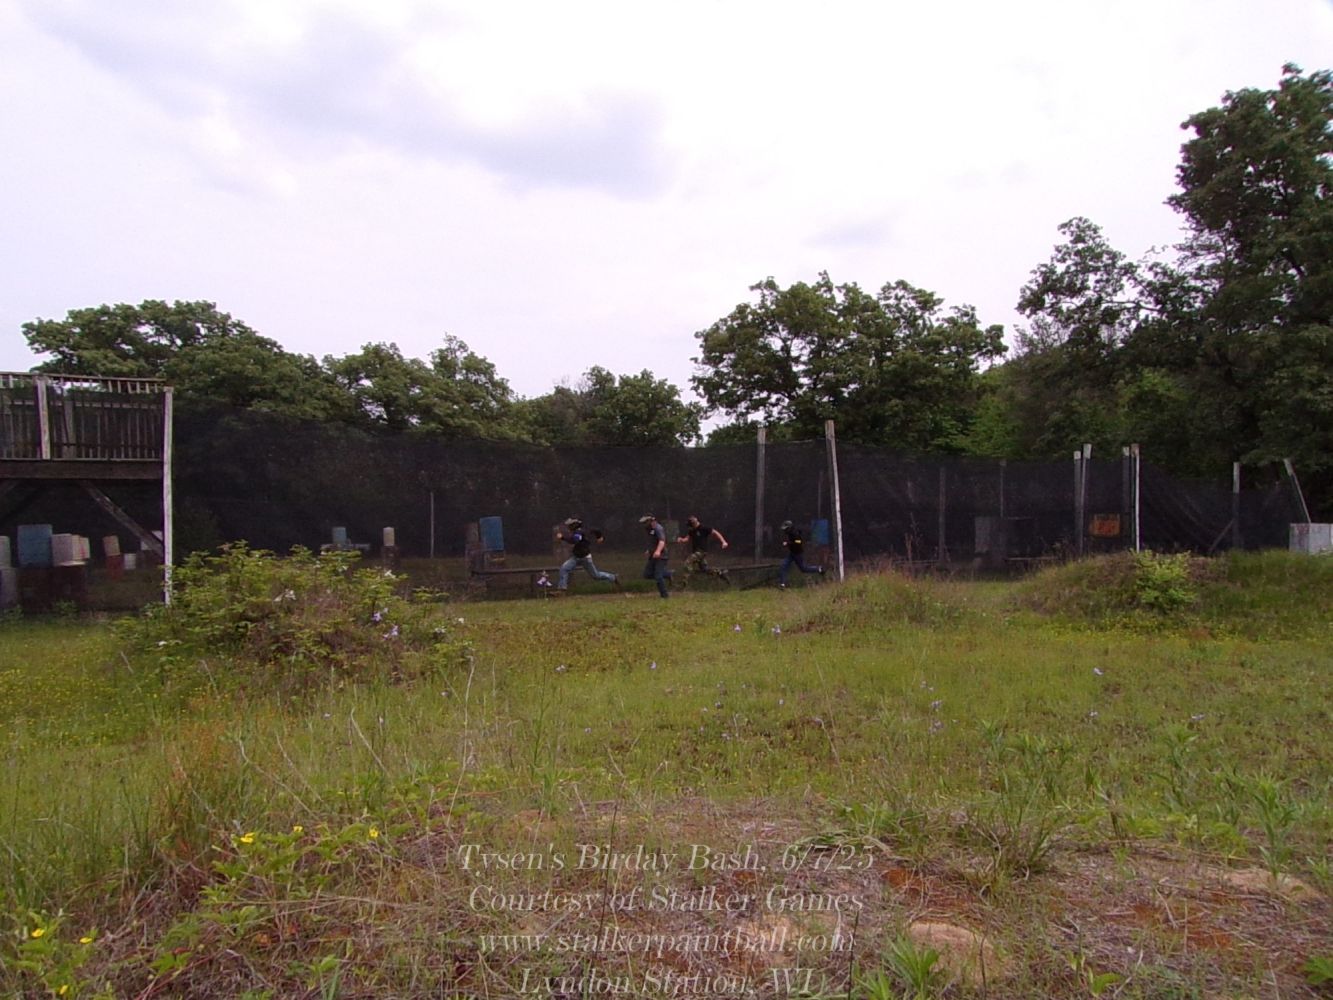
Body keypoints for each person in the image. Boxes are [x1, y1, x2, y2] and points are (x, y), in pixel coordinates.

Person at [555, 517, 618, 592]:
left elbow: (575, 540)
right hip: (576, 557)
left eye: (570, 525)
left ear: (574, 525)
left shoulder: (579, 532)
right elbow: (596, 530)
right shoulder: (583, 530)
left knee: (596, 575)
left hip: (585, 558)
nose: (569, 527)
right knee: (564, 569)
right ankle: (562, 589)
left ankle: (613, 577)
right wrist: (599, 537)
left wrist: (562, 537)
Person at [676, 515, 730, 584]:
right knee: (705, 569)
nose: (690, 527)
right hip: (696, 552)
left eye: (690, 525)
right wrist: (681, 539)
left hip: (701, 551)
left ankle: (683, 582)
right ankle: (720, 573)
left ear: (694, 523)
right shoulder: (692, 530)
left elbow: (716, 533)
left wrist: (723, 542)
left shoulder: (703, 528)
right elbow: (687, 538)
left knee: (688, 562)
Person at [778, 519, 824, 589]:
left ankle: (819, 569)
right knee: (783, 566)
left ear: (789, 528)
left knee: (803, 569)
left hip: (798, 554)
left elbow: (799, 542)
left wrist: (788, 543)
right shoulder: (789, 534)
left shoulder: (795, 534)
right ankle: (782, 584)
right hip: (792, 554)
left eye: (786, 529)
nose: (785, 531)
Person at [639, 513, 673, 598]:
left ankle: (664, 596)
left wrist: (658, 551)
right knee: (647, 574)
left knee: (658, 576)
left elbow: (662, 541)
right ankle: (668, 574)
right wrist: (649, 550)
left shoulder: (658, 528)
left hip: (662, 556)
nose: (644, 524)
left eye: (646, 521)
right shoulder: (649, 529)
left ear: (651, 520)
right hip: (653, 556)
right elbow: (653, 541)